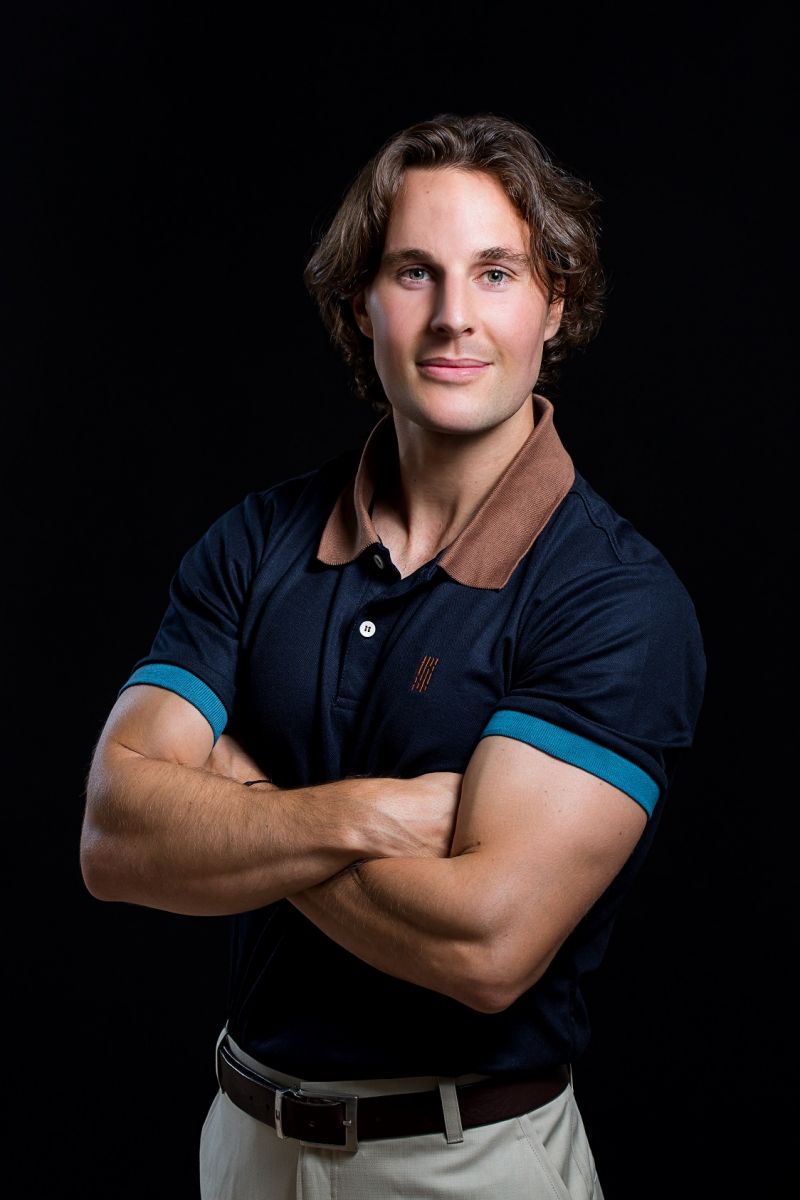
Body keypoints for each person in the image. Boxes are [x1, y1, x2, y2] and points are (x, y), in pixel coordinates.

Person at [81, 112, 706, 1199]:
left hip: (467, 1161)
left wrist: (235, 799)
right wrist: (366, 814)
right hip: (244, 1145)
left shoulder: (613, 597)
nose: (454, 316)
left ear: (554, 303)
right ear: (358, 304)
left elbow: (485, 949)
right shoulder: (256, 541)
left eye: (496, 273)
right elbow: (115, 838)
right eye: (415, 272)